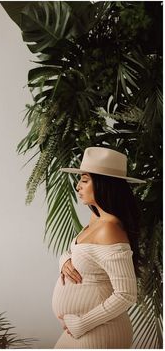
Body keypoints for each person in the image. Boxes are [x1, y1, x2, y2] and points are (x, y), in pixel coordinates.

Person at [52, 146, 146, 349]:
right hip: (86, 332)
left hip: (99, 331)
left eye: (85, 180)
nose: (78, 186)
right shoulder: (96, 219)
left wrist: (81, 324)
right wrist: (65, 260)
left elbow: (126, 294)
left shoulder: (110, 229)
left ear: (104, 185)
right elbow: (82, 252)